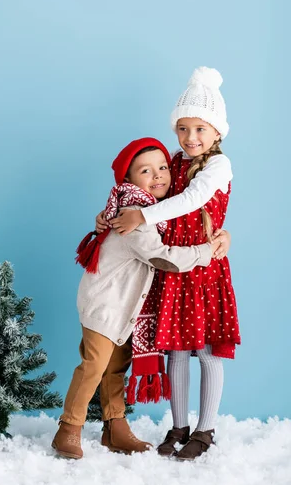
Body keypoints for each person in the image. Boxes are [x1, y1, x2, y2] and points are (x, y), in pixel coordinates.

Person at [96, 67, 240, 460]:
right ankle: (178, 426)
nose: (190, 138)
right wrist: (114, 213)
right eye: (182, 129)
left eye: (200, 129)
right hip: (174, 268)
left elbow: (192, 201)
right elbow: (149, 193)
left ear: (216, 132)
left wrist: (143, 218)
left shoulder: (217, 167)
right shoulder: (173, 161)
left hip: (204, 268)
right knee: (176, 350)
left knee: (208, 352)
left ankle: (205, 429)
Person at [52, 137, 220, 460]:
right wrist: (204, 252)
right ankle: (68, 428)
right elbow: (162, 257)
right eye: (146, 171)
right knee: (94, 366)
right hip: (105, 307)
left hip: (124, 309)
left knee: (116, 368)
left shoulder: (147, 208)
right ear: (128, 181)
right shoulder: (134, 215)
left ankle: (114, 429)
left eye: (162, 168)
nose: (157, 175)